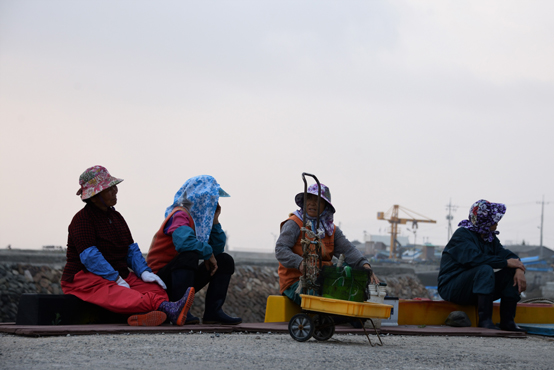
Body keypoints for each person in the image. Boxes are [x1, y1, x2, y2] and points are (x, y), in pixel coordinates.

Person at [61, 165, 194, 327]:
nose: (115, 191)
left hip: (120, 274)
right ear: (94, 196)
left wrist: (144, 272)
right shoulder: (82, 220)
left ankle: (143, 316)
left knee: (156, 291)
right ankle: (167, 309)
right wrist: (114, 278)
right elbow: (90, 257)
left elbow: (130, 250)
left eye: (113, 187)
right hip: (86, 278)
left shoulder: (116, 218)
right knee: (124, 295)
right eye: (109, 189)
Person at [147, 175, 241, 325]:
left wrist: (215, 221)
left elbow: (216, 252)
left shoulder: (199, 222)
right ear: (201, 197)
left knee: (225, 260)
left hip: (179, 276)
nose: (214, 202)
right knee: (189, 255)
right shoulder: (180, 214)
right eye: (212, 198)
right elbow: (184, 243)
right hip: (159, 281)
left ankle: (213, 313)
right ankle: (178, 309)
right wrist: (207, 253)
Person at [275, 183, 379, 307]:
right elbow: (280, 249)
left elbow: (348, 250)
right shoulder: (294, 223)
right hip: (297, 282)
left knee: (350, 274)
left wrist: (365, 266)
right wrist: (300, 263)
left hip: (323, 279)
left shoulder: (331, 229)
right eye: (309, 199)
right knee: (323, 299)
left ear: (325, 207)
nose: (312, 203)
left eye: (318, 200)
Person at [438, 199, 526, 331]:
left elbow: (507, 255)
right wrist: (505, 263)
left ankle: (507, 322)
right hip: (452, 287)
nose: (496, 224)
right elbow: (474, 259)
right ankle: (485, 321)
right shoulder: (462, 235)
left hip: (476, 288)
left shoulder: (489, 238)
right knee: (485, 269)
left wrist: (519, 269)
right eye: (493, 221)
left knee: (509, 272)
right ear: (483, 220)